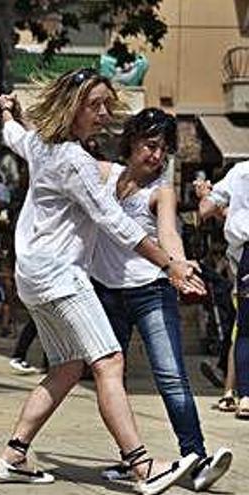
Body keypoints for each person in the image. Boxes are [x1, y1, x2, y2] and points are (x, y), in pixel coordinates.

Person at [0, 69, 205, 495]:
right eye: (95, 105)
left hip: (31, 273)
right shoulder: (74, 159)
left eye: (107, 105)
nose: (104, 113)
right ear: (72, 106)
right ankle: (142, 466)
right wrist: (170, 266)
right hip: (60, 273)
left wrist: (6, 112)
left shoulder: (41, 144)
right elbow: (115, 225)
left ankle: (14, 455)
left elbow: (13, 135)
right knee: (108, 361)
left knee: (69, 366)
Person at [90, 108, 232, 490]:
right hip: (104, 292)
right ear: (132, 140)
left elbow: (169, 233)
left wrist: (181, 266)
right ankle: (134, 460)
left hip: (151, 290)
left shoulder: (162, 191)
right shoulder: (104, 175)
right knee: (109, 381)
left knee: (171, 375)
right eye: (151, 145)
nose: (156, 156)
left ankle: (196, 458)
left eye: (164, 150)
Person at [195, 159, 249, 419]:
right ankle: (233, 392)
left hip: (247, 256)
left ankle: (243, 395)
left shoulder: (241, 172)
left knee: (245, 329)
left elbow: (205, 210)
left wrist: (204, 195)